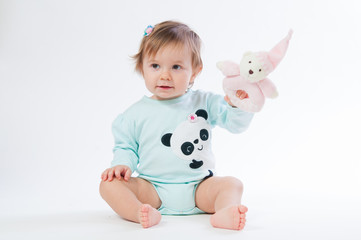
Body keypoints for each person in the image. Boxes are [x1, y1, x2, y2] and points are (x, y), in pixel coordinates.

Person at [99, 20, 254, 230]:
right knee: (109, 186)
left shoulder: (205, 102)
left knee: (232, 184)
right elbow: (126, 148)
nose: (165, 75)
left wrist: (237, 105)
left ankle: (225, 211)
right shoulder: (133, 115)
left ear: (195, 71)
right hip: (152, 189)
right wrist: (122, 165)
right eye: (155, 66)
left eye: (176, 67)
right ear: (142, 67)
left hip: (200, 187)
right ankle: (138, 211)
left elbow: (235, 124)